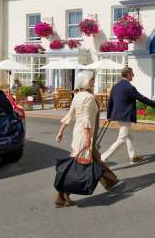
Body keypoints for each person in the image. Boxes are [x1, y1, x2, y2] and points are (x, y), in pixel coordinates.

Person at [54, 70, 118, 208]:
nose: (94, 82)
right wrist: (89, 139)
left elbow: (69, 115)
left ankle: (110, 181)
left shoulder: (77, 96)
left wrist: (61, 132)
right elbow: (85, 119)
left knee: (95, 159)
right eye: (92, 80)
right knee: (78, 165)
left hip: (80, 133)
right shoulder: (88, 97)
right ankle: (61, 195)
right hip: (85, 134)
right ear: (85, 81)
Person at [101, 66, 155, 164]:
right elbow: (141, 98)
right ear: (128, 74)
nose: (133, 76)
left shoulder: (115, 86)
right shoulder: (129, 87)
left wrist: (109, 116)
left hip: (118, 116)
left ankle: (133, 156)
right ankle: (103, 158)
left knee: (128, 136)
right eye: (132, 74)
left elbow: (110, 102)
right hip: (125, 117)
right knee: (121, 139)